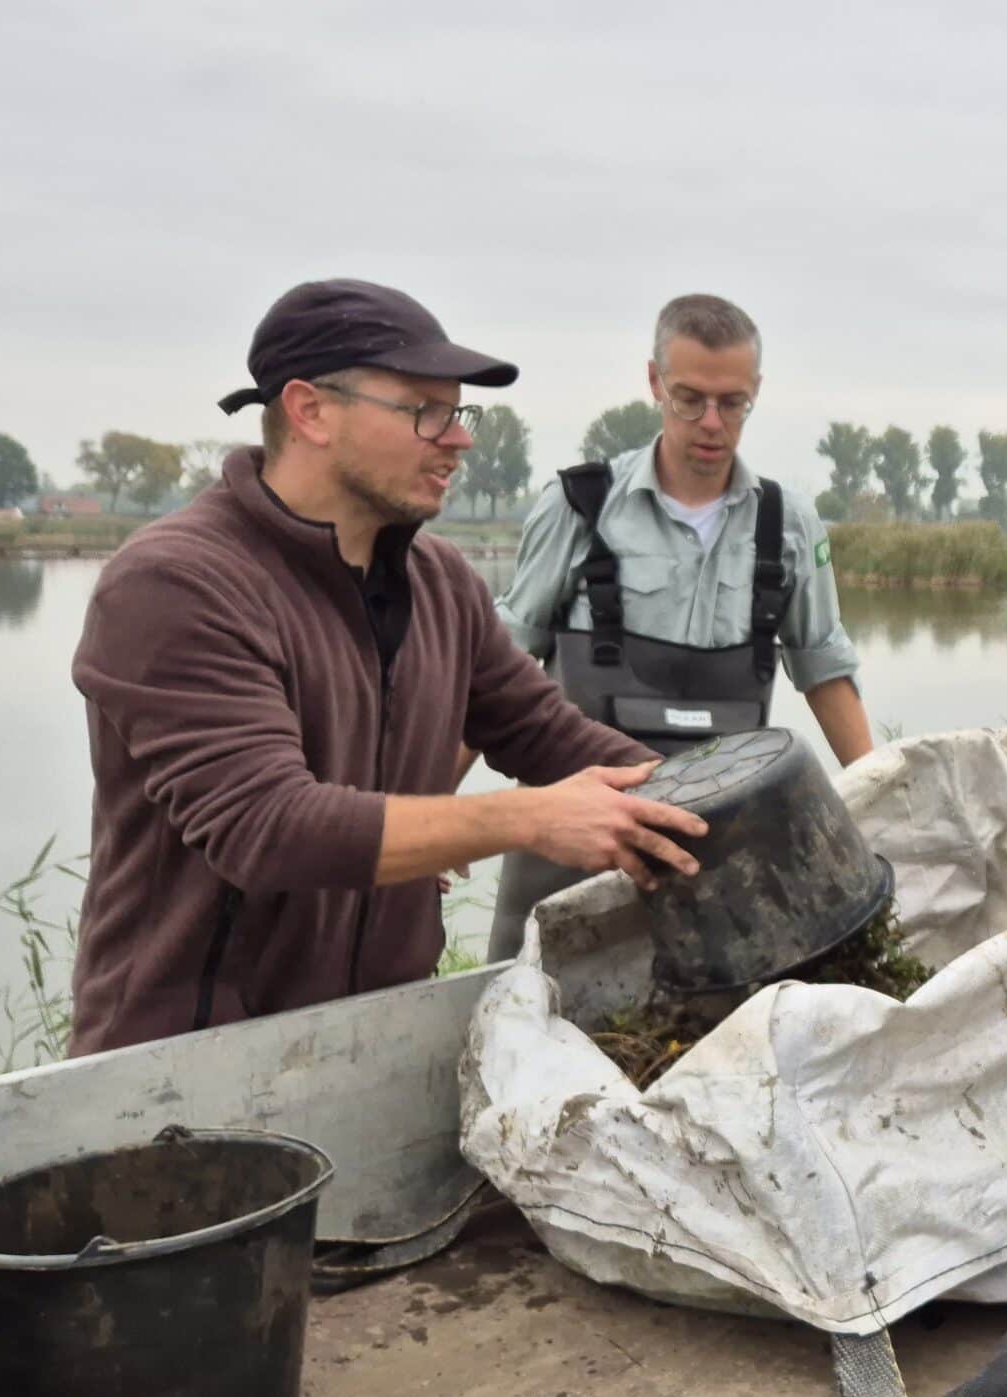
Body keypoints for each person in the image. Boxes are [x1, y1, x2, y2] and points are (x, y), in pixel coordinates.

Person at [69, 279, 710, 1057]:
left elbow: (547, 734)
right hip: (186, 1060)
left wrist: (721, 810)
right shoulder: (177, 583)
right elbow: (266, 825)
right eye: (423, 411)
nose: (459, 438)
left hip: (377, 1039)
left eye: (458, 411)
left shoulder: (440, 582)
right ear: (310, 410)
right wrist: (529, 818)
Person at [486, 294, 870, 961]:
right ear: (655, 382)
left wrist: (883, 806)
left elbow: (825, 673)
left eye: (733, 402)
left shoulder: (790, 525)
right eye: (689, 398)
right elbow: (487, 670)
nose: (711, 422)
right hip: (572, 846)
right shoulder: (578, 507)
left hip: (721, 861)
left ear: (756, 393)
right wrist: (425, 813)